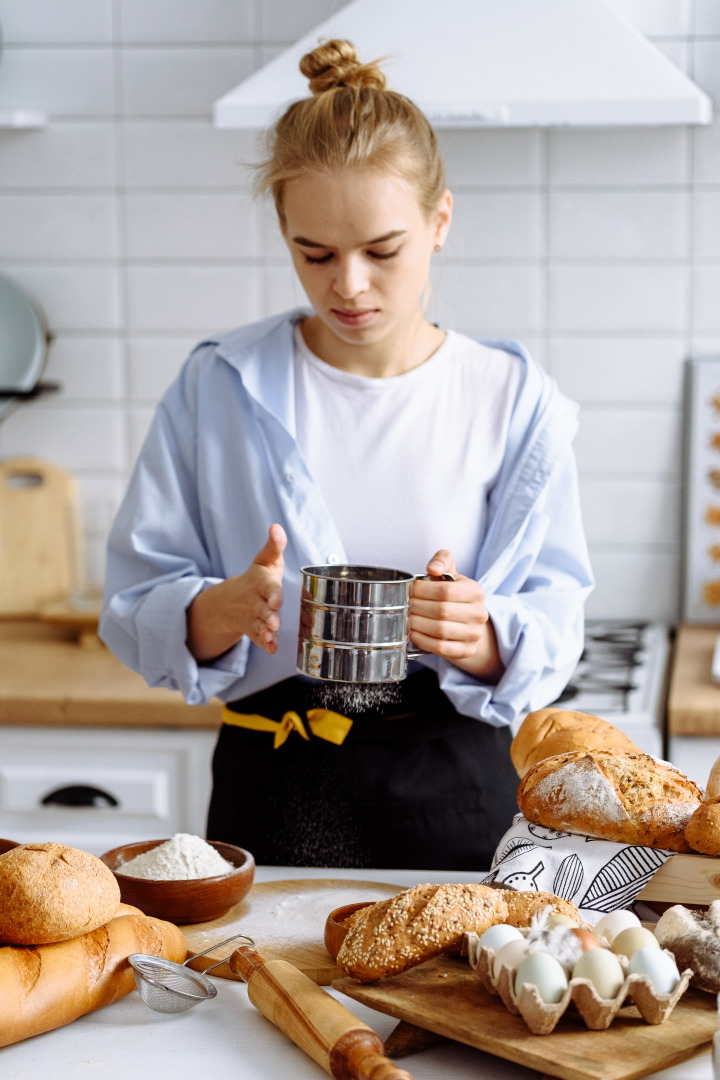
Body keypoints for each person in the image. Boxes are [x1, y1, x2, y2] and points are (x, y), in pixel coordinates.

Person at [99, 39, 594, 871]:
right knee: (254, 1000)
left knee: (457, 997)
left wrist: (483, 634)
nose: (349, 287)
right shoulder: (218, 383)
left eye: (382, 250)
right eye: (315, 254)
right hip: (273, 783)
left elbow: (557, 615)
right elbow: (134, 594)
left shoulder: (513, 396)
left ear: (439, 222)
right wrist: (211, 613)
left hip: (457, 788)